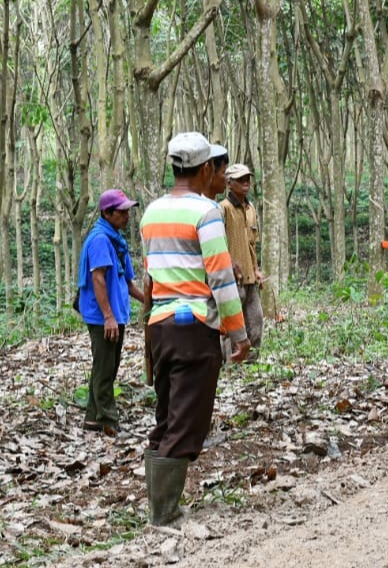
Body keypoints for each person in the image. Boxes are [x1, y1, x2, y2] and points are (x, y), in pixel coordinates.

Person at [140, 132, 249, 526]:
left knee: (167, 416)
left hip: (161, 329)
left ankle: (159, 506)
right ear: (206, 169)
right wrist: (238, 333)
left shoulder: (150, 213)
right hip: (194, 328)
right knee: (187, 422)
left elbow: (151, 276)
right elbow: (220, 277)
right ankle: (164, 514)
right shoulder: (205, 213)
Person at [77, 189, 145, 437]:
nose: (127, 216)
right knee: (106, 368)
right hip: (102, 317)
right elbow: (98, 279)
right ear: (107, 213)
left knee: (106, 366)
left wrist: (149, 301)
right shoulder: (99, 240)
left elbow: (127, 283)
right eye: (122, 211)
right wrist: (107, 316)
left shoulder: (116, 241)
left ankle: (93, 418)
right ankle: (108, 421)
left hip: (116, 314)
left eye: (128, 210)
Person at [220, 163, 266, 354]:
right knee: (232, 327)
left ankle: (251, 364)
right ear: (229, 183)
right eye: (240, 179)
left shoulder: (251, 209)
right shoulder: (223, 209)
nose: (246, 183)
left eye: (247, 178)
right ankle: (231, 366)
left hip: (250, 278)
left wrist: (256, 268)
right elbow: (217, 245)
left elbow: (252, 244)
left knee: (256, 323)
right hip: (231, 280)